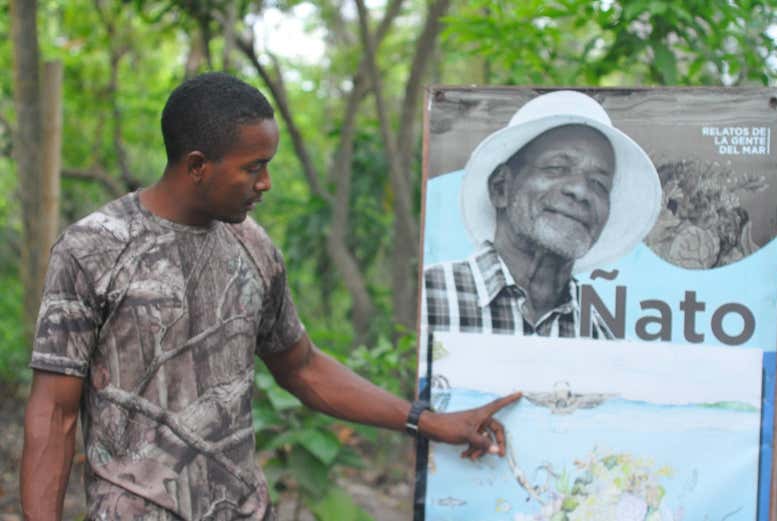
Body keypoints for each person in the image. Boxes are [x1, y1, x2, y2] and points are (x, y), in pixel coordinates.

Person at [20, 72, 521, 521]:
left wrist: (426, 420)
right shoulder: (94, 248)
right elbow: (55, 412)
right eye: (253, 167)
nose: (266, 183)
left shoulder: (253, 247)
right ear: (197, 166)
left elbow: (302, 367)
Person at [422, 91, 661, 340]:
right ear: (501, 187)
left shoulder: (600, 341)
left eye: (599, 184)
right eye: (556, 168)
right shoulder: (429, 296)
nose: (580, 191)